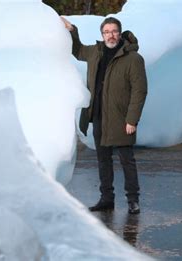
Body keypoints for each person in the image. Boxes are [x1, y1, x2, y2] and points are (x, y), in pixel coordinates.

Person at [61, 16, 147, 214]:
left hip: (121, 118)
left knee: (127, 160)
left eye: (114, 31)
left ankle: (133, 200)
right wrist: (72, 30)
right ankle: (107, 198)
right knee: (103, 160)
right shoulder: (95, 52)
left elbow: (139, 91)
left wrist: (132, 119)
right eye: (107, 32)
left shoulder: (133, 58)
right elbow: (77, 50)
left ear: (120, 33)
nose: (111, 35)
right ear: (102, 34)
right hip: (98, 115)